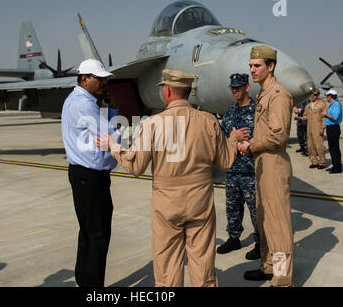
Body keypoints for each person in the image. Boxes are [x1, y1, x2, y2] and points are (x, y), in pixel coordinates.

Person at [97, 68, 249, 287]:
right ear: (188, 92)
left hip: (166, 204)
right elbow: (225, 162)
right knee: (203, 264)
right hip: (200, 202)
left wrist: (114, 147)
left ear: (167, 91)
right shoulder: (208, 121)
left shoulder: (153, 124)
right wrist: (233, 140)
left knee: (167, 268)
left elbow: (135, 166)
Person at [61, 58, 119, 287]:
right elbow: (112, 136)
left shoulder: (75, 99)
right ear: (84, 79)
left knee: (87, 232)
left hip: (81, 174)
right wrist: (113, 110)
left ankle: (84, 281)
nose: (104, 82)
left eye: (105, 78)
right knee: (98, 234)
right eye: (99, 78)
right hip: (91, 177)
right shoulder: (85, 104)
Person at [241, 46, 294, 287]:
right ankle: (269, 266)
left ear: (270, 66)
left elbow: (278, 136)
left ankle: (282, 278)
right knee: (264, 221)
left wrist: (252, 146)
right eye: (251, 65)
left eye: (257, 65)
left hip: (273, 164)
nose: (252, 69)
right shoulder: (264, 93)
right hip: (263, 164)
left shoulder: (278, 94)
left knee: (279, 227)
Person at [217, 73, 260, 260]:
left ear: (247, 87)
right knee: (232, 208)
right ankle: (234, 238)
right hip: (233, 170)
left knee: (256, 210)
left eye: (239, 87)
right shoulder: (229, 113)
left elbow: (264, 137)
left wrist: (247, 140)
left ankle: (261, 242)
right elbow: (222, 139)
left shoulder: (257, 111)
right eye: (233, 88)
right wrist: (234, 137)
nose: (236, 90)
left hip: (251, 170)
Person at [294, 89, 327, 169]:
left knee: (319, 146)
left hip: (318, 127)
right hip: (309, 128)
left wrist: (322, 128)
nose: (312, 96)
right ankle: (314, 161)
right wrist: (300, 119)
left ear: (318, 95)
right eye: (311, 94)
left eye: (314, 94)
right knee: (310, 146)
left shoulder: (322, 104)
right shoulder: (308, 105)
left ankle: (322, 162)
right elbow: (306, 117)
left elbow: (324, 118)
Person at [322, 89, 343, 173]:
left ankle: (338, 168)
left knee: (335, 149)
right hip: (331, 128)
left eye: (327, 96)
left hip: (334, 128)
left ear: (330, 96)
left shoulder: (336, 105)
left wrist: (326, 114)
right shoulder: (332, 104)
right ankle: (335, 165)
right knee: (332, 148)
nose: (326, 98)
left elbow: (335, 117)